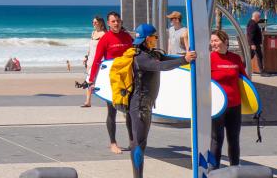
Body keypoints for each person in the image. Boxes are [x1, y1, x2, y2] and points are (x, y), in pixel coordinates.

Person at [128, 23, 196, 178]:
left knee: (140, 142)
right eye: (155, 36)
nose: (157, 39)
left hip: (145, 105)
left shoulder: (153, 54)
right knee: (139, 143)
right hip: (139, 106)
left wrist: (187, 57)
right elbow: (163, 67)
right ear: (146, 39)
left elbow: (168, 59)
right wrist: (184, 60)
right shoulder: (141, 58)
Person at [89, 11, 134, 154]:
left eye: (118, 21)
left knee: (129, 112)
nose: (116, 23)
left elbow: (135, 55)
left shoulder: (127, 37)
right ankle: (113, 143)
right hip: (111, 80)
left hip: (127, 79)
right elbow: (97, 60)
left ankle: (132, 142)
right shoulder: (105, 39)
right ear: (108, 23)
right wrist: (91, 80)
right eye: (113, 21)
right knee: (112, 112)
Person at [209, 29, 247, 170]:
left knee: (234, 139)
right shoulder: (209, 59)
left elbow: (244, 81)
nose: (213, 43)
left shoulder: (235, 58)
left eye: (216, 40)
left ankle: (235, 168)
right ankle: (213, 170)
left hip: (235, 105)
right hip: (217, 106)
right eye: (212, 41)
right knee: (216, 140)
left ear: (225, 41)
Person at [81, 15, 106, 107]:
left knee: (95, 81)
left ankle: (108, 100)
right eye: (93, 22)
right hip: (90, 60)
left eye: (95, 22)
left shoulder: (104, 34)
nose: (94, 24)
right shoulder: (93, 33)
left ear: (100, 23)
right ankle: (88, 101)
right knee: (89, 80)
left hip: (99, 60)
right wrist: (86, 57)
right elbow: (90, 47)